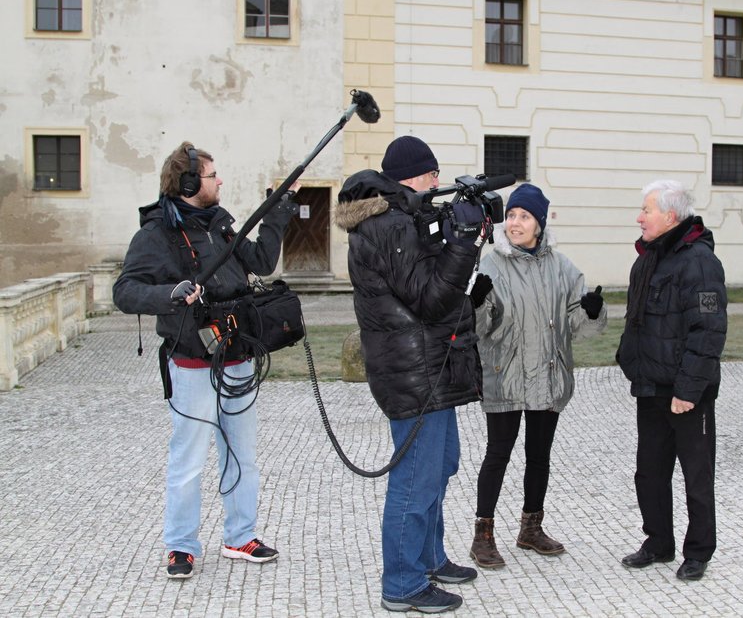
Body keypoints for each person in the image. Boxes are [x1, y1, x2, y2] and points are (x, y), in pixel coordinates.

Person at [112, 142, 299, 579]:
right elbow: (125, 291)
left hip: (238, 355)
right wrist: (169, 293)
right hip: (193, 362)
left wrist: (277, 211)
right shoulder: (155, 235)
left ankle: (240, 536)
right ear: (190, 182)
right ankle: (181, 545)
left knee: (242, 454)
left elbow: (261, 262)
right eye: (213, 175)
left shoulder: (220, 226)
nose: (220, 181)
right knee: (189, 457)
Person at [334, 136, 486, 614]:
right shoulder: (389, 224)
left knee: (440, 466)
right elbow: (430, 298)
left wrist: (452, 238)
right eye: (432, 173)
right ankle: (402, 582)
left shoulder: (400, 219)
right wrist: (462, 243)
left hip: (425, 364)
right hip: (413, 371)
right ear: (414, 175)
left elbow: (427, 284)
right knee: (415, 480)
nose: (438, 183)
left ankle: (429, 557)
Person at [468, 183, 607, 569]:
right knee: (497, 454)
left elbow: (579, 326)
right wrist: (476, 303)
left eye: (524, 216)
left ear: (539, 224)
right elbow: (478, 328)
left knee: (539, 456)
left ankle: (531, 528)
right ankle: (483, 535)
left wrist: (592, 311)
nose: (514, 223)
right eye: (511, 215)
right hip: (505, 374)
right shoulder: (491, 263)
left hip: (548, 375)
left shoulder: (562, 268)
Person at [616, 179, 727, 582]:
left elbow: (708, 330)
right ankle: (658, 542)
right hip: (651, 387)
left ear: (670, 216)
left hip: (686, 393)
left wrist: (687, 390)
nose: (639, 217)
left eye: (647, 209)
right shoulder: (647, 258)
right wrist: (629, 360)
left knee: (696, 475)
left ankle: (698, 551)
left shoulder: (699, 262)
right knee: (650, 472)